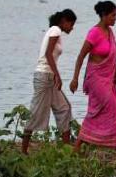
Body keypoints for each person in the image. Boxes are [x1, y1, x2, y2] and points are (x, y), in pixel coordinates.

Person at [70, 1, 116, 156]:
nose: (115, 18)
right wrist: (75, 78)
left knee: (100, 113)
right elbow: (81, 56)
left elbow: (113, 54)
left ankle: (80, 146)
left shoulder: (110, 32)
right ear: (104, 15)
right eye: (113, 15)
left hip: (108, 79)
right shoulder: (94, 33)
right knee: (115, 112)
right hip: (96, 78)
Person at [22, 9, 77, 154]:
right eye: (71, 24)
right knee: (35, 112)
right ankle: (23, 150)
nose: (72, 27)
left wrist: (55, 76)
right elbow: (48, 54)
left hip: (49, 77)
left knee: (64, 108)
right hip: (44, 76)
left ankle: (66, 148)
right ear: (64, 21)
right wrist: (58, 75)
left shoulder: (56, 32)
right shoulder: (55, 30)